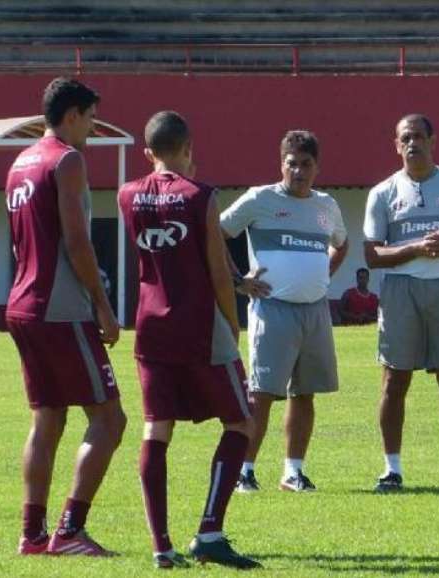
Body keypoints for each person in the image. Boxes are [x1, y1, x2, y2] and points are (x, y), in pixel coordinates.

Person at [118, 111, 261, 569]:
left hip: (150, 327)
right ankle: (210, 532)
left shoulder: (126, 195)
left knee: (156, 428)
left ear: (147, 153)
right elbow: (219, 270)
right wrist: (232, 323)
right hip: (200, 325)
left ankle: (161, 546)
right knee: (241, 422)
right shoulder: (201, 196)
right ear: (188, 149)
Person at [6, 77, 127, 556]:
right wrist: (102, 303)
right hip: (60, 307)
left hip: (22, 303)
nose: (93, 128)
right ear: (72, 114)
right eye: (91, 117)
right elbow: (77, 242)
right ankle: (70, 531)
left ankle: (32, 535)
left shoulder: (20, 161)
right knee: (110, 420)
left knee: (47, 420)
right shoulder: (67, 159)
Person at [363, 114, 439, 492]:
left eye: (419, 136)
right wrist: (417, 247)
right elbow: (373, 255)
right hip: (401, 290)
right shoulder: (382, 192)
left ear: (433, 141)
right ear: (396, 144)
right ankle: (391, 470)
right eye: (405, 138)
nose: (412, 143)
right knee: (394, 381)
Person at [221, 130, 348, 493]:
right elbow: (215, 233)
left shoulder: (327, 206)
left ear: (316, 168)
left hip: (315, 311)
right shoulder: (260, 199)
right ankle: (244, 471)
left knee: (304, 393)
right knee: (261, 395)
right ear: (282, 165)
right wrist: (237, 280)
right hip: (272, 309)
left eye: (305, 164)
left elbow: (342, 244)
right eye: (291, 164)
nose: (298, 171)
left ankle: (293, 472)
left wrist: (323, 274)